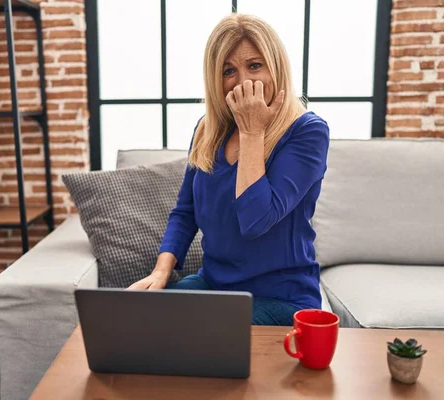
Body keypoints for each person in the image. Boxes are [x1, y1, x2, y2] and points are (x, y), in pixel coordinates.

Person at [128, 13, 330, 326]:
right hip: (214, 285)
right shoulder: (208, 129)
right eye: (228, 71)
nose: (243, 81)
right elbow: (185, 212)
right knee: (140, 319)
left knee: (196, 333)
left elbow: (256, 220)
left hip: (280, 298)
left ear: (275, 67)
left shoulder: (308, 131)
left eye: (254, 65)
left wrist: (252, 132)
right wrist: (160, 272)